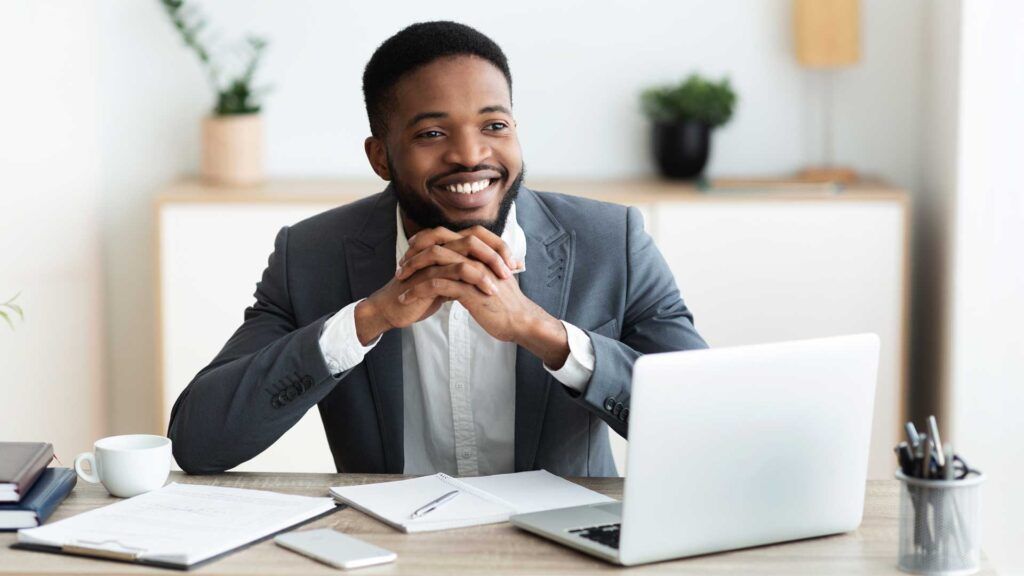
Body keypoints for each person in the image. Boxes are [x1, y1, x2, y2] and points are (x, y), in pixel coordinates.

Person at [168, 21, 707, 477]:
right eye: (431, 134)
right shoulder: (310, 254)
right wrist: (367, 318)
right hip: (391, 553)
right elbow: (199, 442)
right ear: (381, 157)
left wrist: (542, 334)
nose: (470, 156)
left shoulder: (613, 242)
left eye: (494, 125)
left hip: (563, 549)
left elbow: (708, 425)